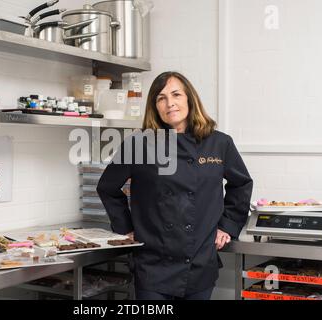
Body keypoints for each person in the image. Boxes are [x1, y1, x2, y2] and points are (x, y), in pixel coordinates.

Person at [96, 72, 253, 300]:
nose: (170, 103)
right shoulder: (138, 144)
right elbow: (107, 188)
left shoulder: (219, 143)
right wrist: (125, 227)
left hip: (198, 263)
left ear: (189, 98)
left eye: (176, 94)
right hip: (152, 265)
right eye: (161, 98)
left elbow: (241, 184)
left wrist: (227, 226)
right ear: (155, 106)